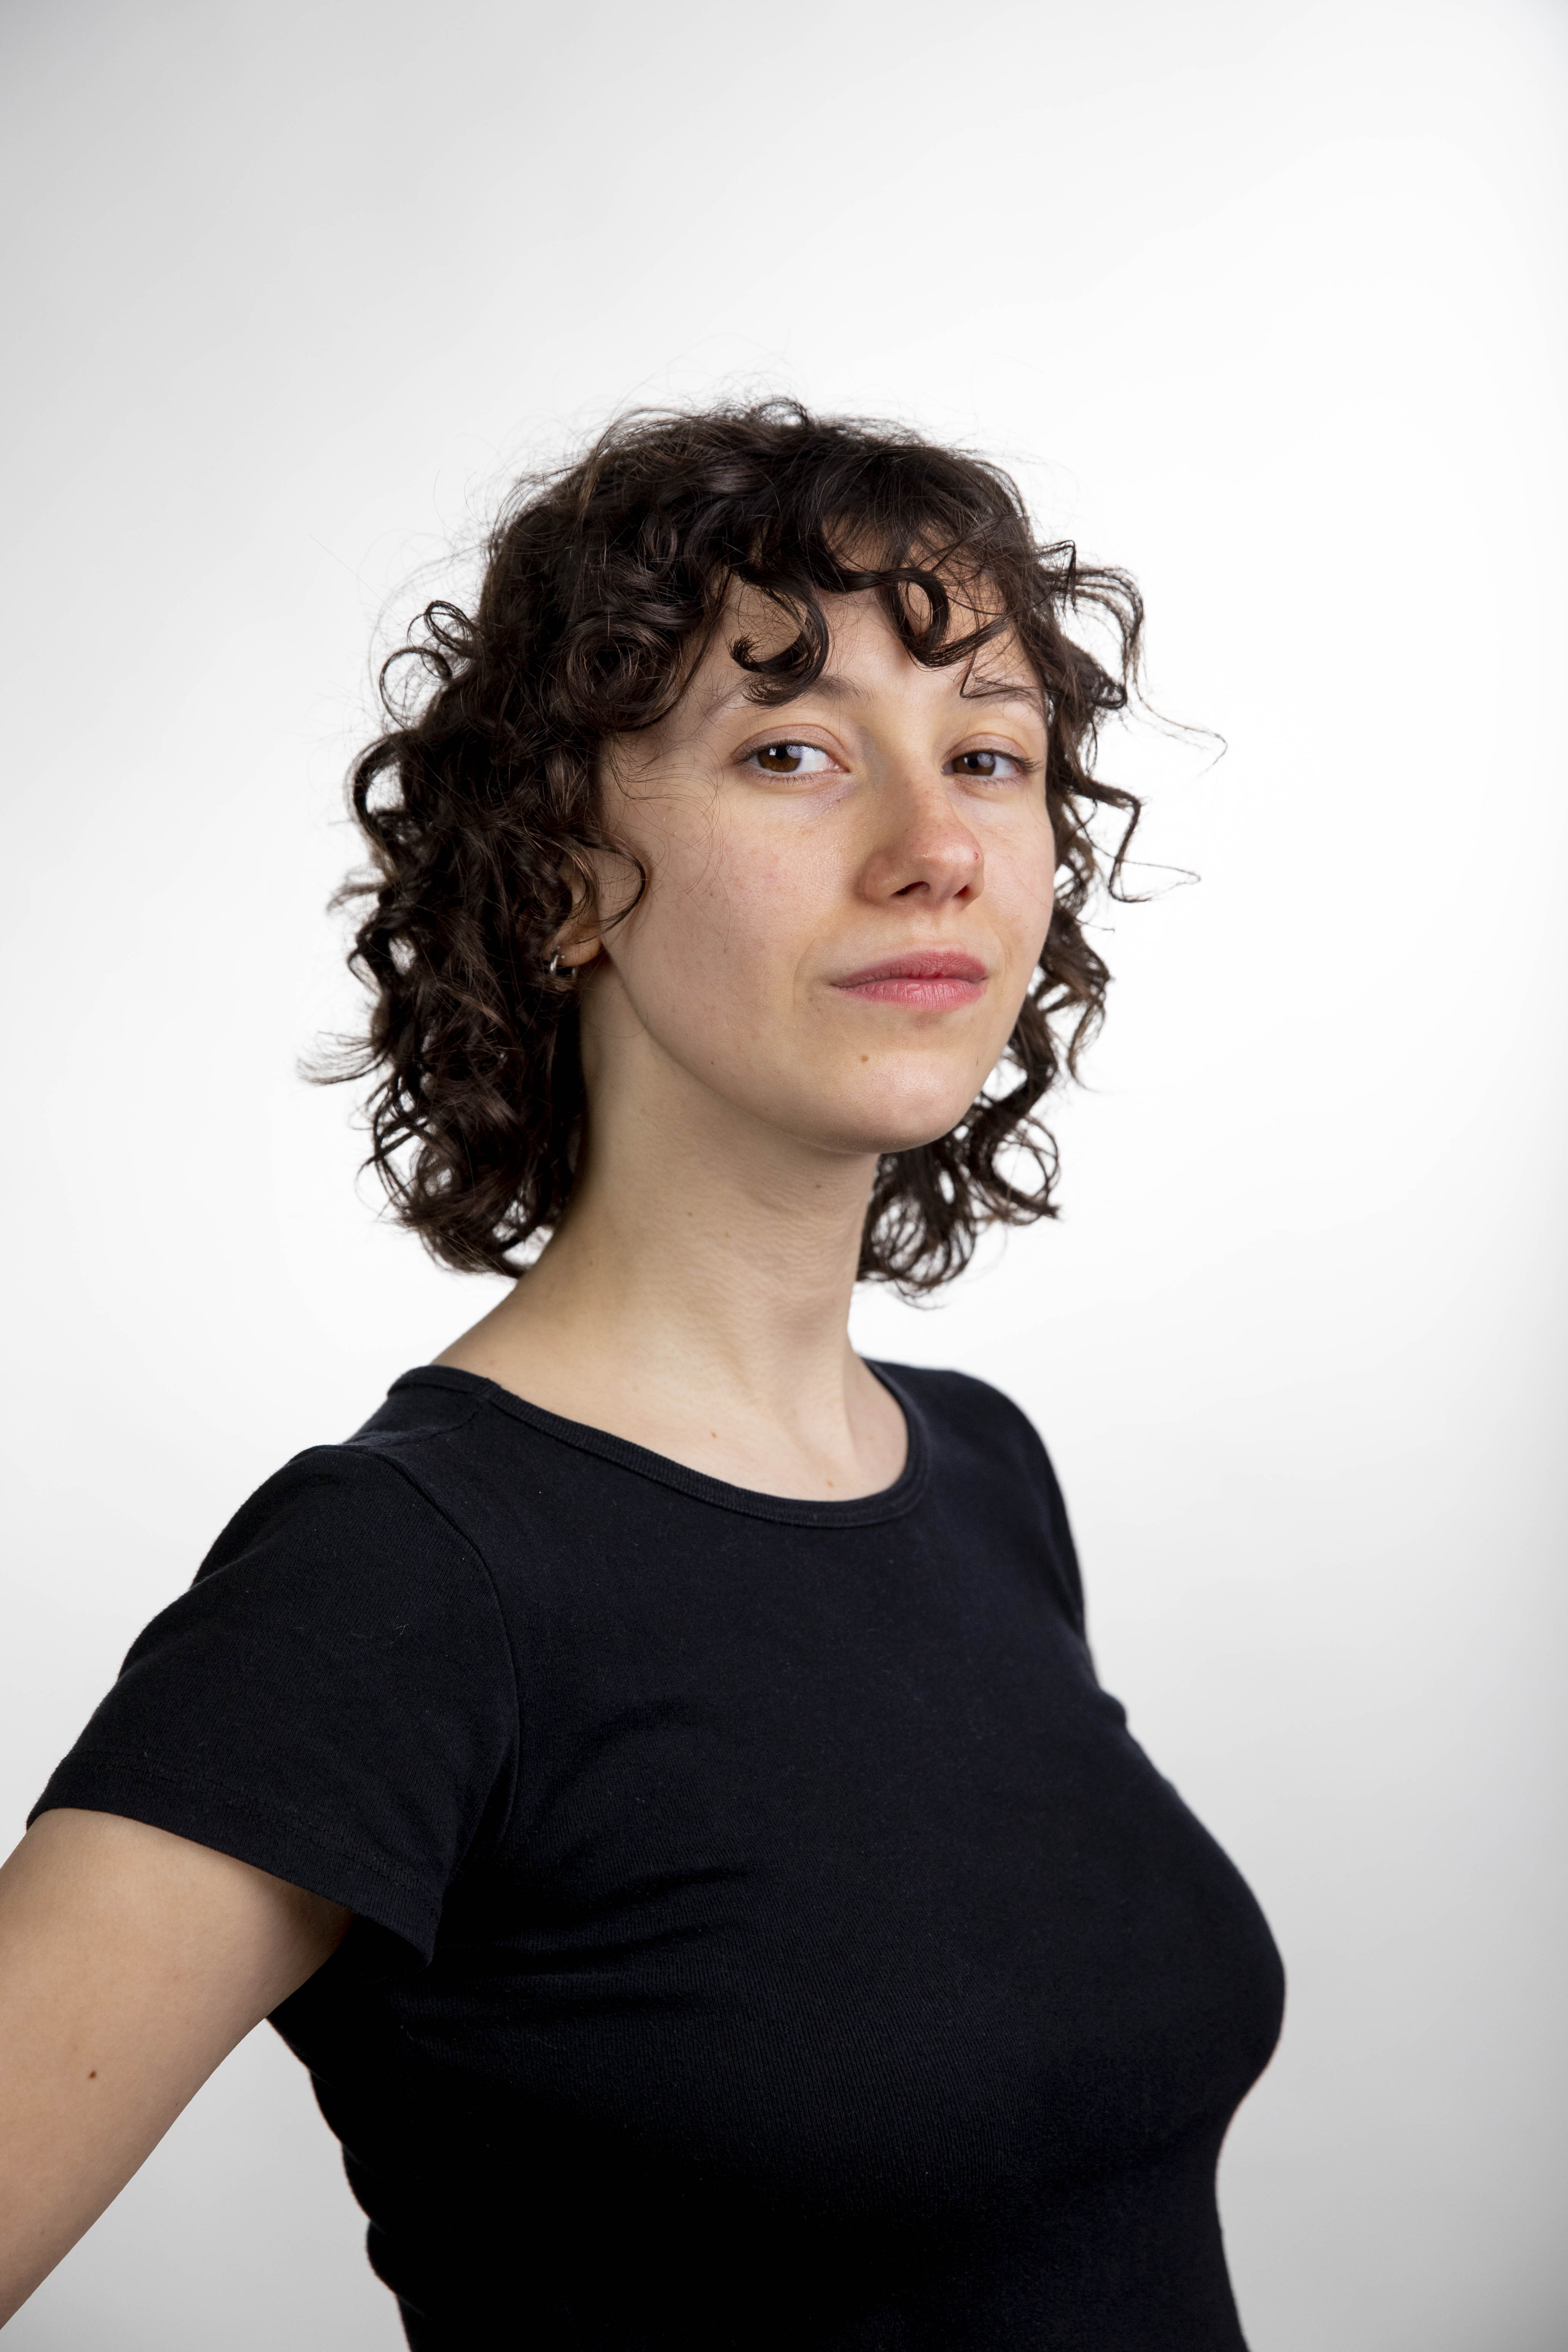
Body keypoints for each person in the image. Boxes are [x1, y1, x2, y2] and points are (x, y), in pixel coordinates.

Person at [0, 402, 1283, 2348]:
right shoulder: (403, 1579)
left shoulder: (981, 1476)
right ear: (558, 880)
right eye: (789, 751)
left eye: (987, 756)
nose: (935, 848)